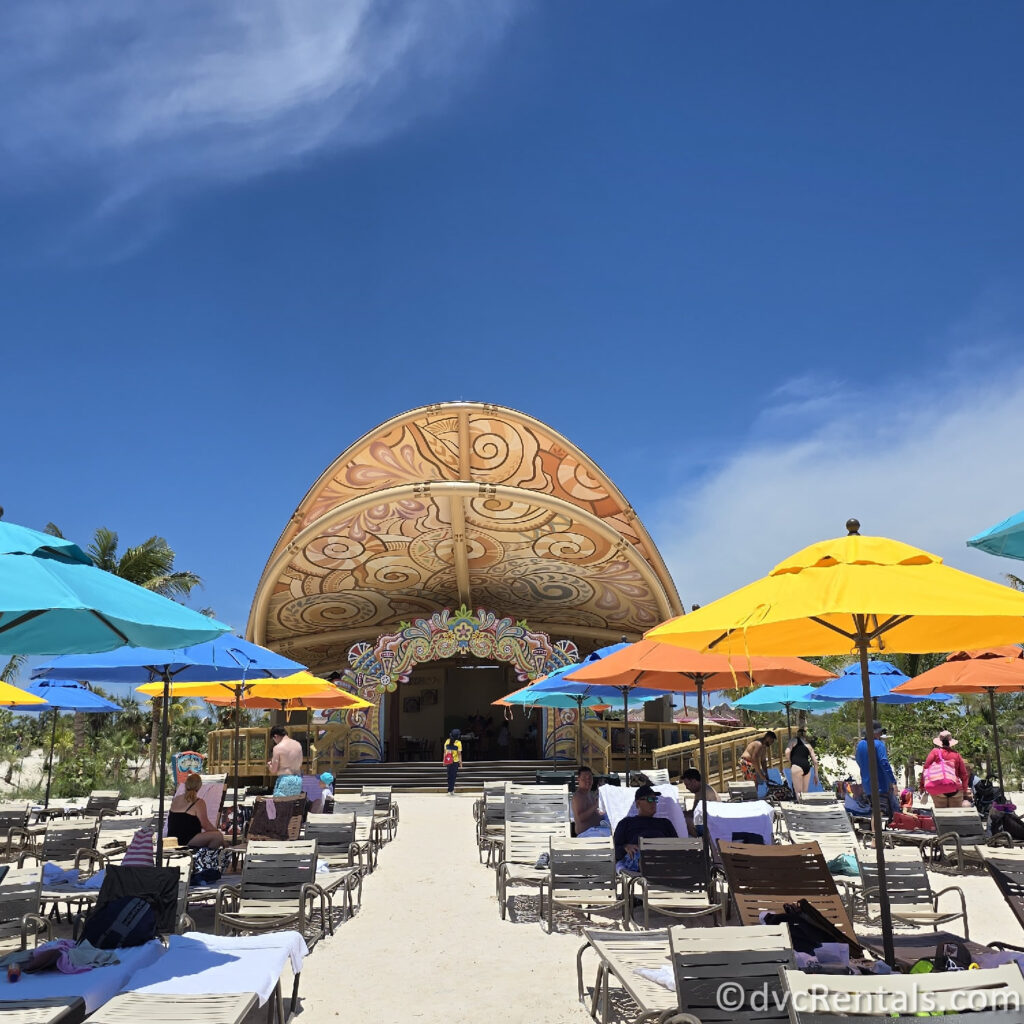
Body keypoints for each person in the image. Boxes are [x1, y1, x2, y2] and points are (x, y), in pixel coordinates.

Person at [612, 784, 677, 871]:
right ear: (638, 803)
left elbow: (677, 845)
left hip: (664, 858)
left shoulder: (665, 823)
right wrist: (625, 847)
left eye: (655, 799)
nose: (653, 803)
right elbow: (614, 851)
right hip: (641, 860)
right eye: (650, 799)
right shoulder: (626, 823)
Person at [167, 772, 225, 849]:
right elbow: (206, 825)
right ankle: (206, 858)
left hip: (172, 838)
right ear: (199, 786)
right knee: (218, 837)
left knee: (215, 835)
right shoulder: (198, 802)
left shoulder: (176, 799)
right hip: (185, 839)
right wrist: (220, 836)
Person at [855, 721, 898, 816]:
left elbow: (858, 760)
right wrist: (893, 781)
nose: (880, 734)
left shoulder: (860, 744)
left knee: (875, 810)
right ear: (875, 732)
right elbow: (884, 763)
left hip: (867, 784)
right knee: (879, 812)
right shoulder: (879, 744)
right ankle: (876, 831)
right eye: (880, 732)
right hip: (880, 784)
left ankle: (875, 830)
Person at [921, 730, 972, 808]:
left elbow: (925, 769)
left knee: (941, 817)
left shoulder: (934, 752)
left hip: (939, 788)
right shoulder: (956, 754)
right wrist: (964, 789)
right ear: (950, 742)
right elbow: (964, 774)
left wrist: (922, 786)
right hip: (955, 788)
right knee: (955, 816)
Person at [267, 726, 304, 797]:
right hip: (298, 779)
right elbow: (300, 762)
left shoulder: (278, 748)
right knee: (292, 806)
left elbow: (274, 770)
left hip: (285, 780)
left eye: (273, 739)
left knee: (279, 806)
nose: (275, 742)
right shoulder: (298, 744)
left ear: (275, 736)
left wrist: (269, 765)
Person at [786, 728, 822, 795]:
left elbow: (787, 752)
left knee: (798, 793)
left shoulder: (793, 741)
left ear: (797, 734)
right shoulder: (809, 746)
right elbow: (815, 762)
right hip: (807, 768)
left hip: (796, 766)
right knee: (805, 794)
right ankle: (804, 804)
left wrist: (791, 761)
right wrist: (816, 776)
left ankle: (800, 803)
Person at [572, 766, 607, 835]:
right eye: (584, 778)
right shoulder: (578, 796)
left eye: (590, 778)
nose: (588, 780)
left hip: (596, 830)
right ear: (578, 779)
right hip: (586, 835)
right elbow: (580, 818)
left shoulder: (589, 794)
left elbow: (593, 812)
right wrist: (596, 805)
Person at [443, 729, 463, 795]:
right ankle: (451, 790)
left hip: (448, 760)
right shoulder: (458, 743)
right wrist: (461, 763)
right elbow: (459, 754)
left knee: (449, 776)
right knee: (453, 776)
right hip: (455, 761)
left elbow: (445, 752)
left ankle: (449, 789)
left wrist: (444, 761)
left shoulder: (447, 741)